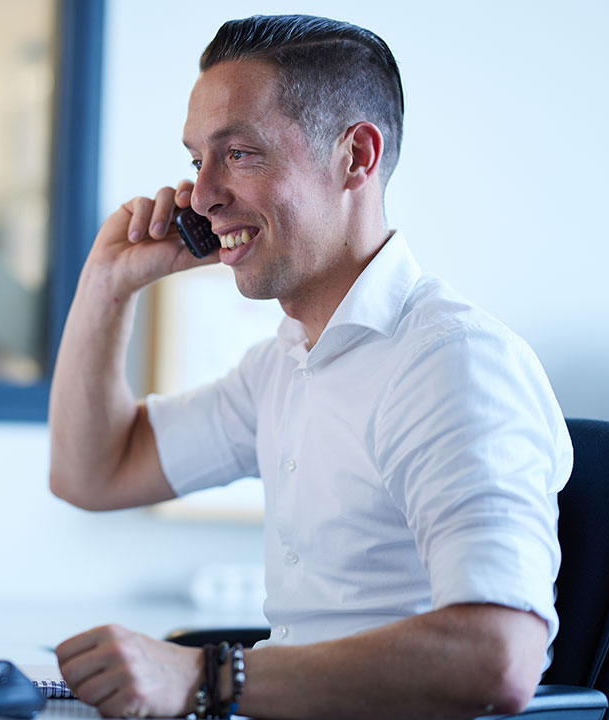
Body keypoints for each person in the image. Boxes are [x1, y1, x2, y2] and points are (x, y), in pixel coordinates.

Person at [46, 14, 573, 720]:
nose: (200, 197)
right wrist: (107, 286)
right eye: (198, 159)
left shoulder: (450, 364)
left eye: (239, 154)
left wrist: (210, 678)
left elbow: (500, 654)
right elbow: (93, 472)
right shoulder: (285, 365)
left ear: (355, 156)